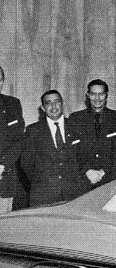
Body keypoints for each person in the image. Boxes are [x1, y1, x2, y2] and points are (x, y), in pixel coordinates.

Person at [21, 90, 88, 207]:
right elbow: (27, 164)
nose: (53, 106)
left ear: (63, 104)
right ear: (43, 108)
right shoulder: (33, 131)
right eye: (48, 103)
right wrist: (43, 182)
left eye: (57, 102)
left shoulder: (77, 127)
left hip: (74, 194)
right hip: (43, 195)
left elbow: (85, 158)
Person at [68, 79, 116, 188]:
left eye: (101, 94)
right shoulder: (75, 119)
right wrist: (86, 171)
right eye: (93, 94)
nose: (97, 98)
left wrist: (104, 172)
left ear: (106, 95)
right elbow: (70, 152)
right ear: (88, 95)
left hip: (111, 181)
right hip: (84, 182)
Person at [0, 66, 25, 213]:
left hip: (5, 178)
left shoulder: (13, 104)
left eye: (0, 80)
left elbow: (19, 140)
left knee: (4, 224)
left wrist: (2, 164)